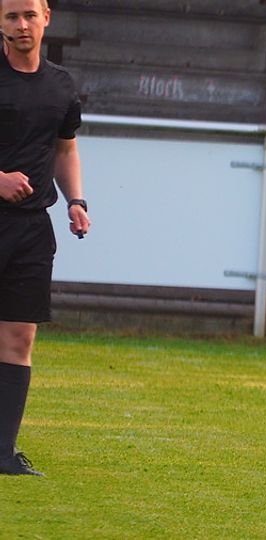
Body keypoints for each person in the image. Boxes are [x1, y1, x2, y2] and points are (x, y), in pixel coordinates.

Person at [0, 0, 89, 476]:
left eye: (29, 15)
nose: (21, 25)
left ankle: (3, 453)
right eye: (11, 16)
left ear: (46, 17)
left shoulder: (61, 85)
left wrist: (76, 200)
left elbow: (65, 148)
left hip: (33, 228)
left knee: (19, 337)